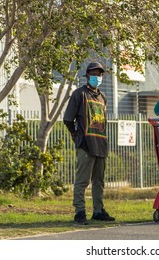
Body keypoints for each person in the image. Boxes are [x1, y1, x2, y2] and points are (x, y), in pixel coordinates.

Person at [63, 61, 115, 224]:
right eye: (93, 74)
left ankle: (98, 211)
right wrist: (76, 136)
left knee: (99, 181)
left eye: (99, 74)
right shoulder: (79, 94)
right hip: (86, 144)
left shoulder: (103, 97)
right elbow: (68, 119)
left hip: (100, 143)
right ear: (87, 76)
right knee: (82, 181)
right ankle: (79, 212)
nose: (96, 77)